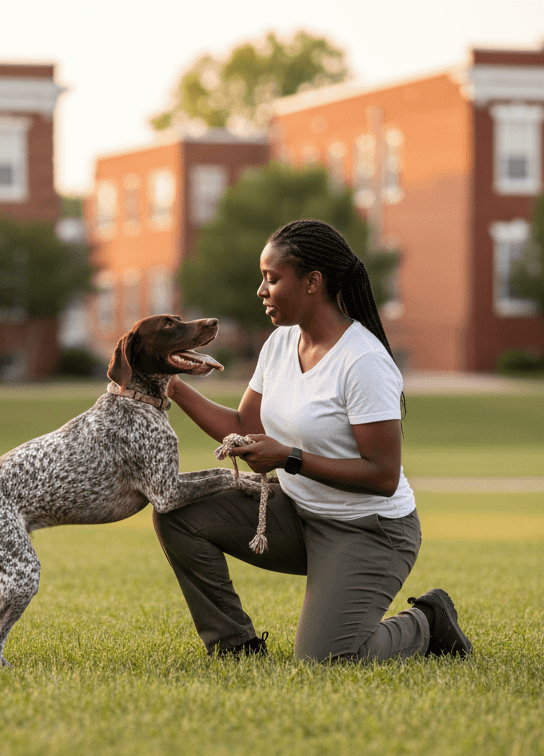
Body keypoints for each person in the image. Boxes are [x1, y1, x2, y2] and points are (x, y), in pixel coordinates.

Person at [153, 219, 471, 662]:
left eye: (272, 279)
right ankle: (235, 646)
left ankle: (429, 622)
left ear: (312, 282)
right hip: (298, 513)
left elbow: (383, 476)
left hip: (368, 529)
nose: (261, 291)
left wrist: (289, 457)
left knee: (327, 659)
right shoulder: (280, 344)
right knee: (178, 514)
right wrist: (171, 384)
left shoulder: (363, 361)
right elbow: (244, 422)